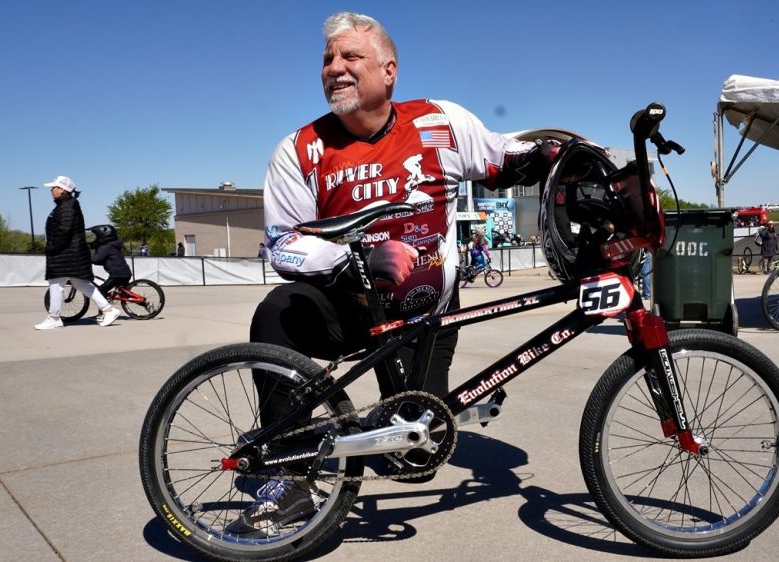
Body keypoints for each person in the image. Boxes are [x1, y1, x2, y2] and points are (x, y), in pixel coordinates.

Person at [240, 11, 559, 531]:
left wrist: (569, 154)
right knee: (276, 312)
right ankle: (288, 474)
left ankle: (378, 424)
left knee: (414, 456)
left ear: (389, 70)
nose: (335, 68)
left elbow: (508, 157)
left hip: (425, 315)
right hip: (344, 308)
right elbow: (282, 245)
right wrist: (358, 259)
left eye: (351, 56)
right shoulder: (299, 150)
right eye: (328, 59)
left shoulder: (441, 122)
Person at [34, 176, 121, 330]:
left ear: (62, 190)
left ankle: (54, 318)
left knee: (56, 283)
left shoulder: (67, 207)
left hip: (66, 253)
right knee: (80, 283)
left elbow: (64, 231)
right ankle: (108, 310)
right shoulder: (66, 205)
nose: (51, 190)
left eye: (53, 187)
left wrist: (51, 247)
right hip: (70, 253)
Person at [89, 224, 132, 307]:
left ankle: (105, 311)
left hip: (117, 275)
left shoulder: (105, 247)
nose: (95, 239)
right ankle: (145, 303)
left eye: (96, 236)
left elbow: (95, 259)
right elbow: (101, 260)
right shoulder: (113, 245)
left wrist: (84, 258)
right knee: (124, 294)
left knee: (101, 291)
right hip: (124, 273)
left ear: (102, 236)